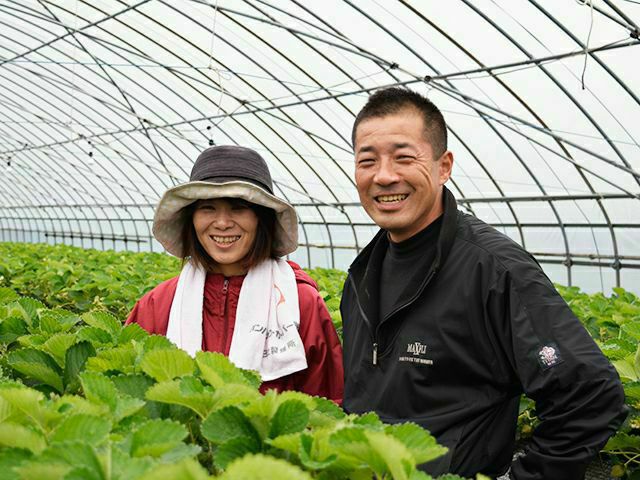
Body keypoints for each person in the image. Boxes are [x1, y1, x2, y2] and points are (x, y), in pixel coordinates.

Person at [340, 87, 627, 478]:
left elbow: (591, 395)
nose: (384, 176)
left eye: (404, 157)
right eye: (367, 161)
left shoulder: (494, 270)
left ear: (443, 167)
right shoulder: (362, 274)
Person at [127, 145, 343, 403]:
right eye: (208, 208)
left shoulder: (300, 304)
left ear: (261, 218)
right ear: (191, 219)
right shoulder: (157, 305)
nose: (222, 223)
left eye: (238, 207)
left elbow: (326, 405)